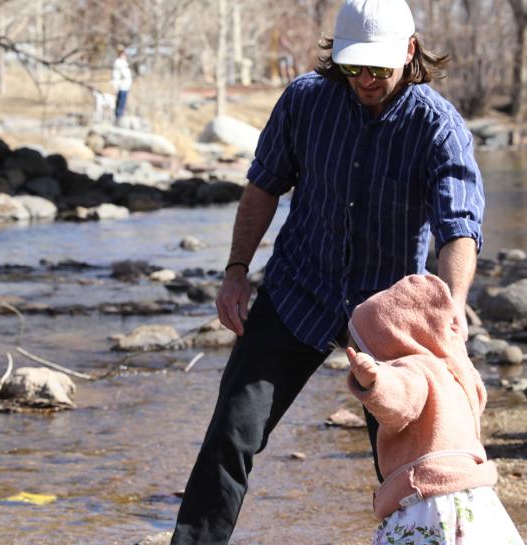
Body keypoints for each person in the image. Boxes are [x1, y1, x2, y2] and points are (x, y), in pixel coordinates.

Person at [168, 0, 485, 543]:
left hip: (389, 316)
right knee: (231, 433)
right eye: (352, 66)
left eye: (377, 69)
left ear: (408, 53)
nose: (364, 79)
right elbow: (264, 186)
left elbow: (458, 227)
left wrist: (451, 308)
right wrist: (236, 270)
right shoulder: (305, 102)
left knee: (407, 463)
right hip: (299, 291)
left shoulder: (439, 127)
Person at [345, 274, 524, 545]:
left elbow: (400, 399)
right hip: (475, 497)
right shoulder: (459, 370)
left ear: (395, 339)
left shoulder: (414, 369)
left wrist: (374, 381)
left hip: (429, 501)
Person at [111, 47, 132, 122]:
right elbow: (117, 75)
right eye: (122, 53)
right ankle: (118, 118)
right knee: (120, 102)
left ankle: (120, 117)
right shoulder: (119, 62)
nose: (124, 54)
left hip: (125, 85)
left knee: (123, 102)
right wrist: (115, 86)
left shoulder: (124, 62)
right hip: (121, 86)